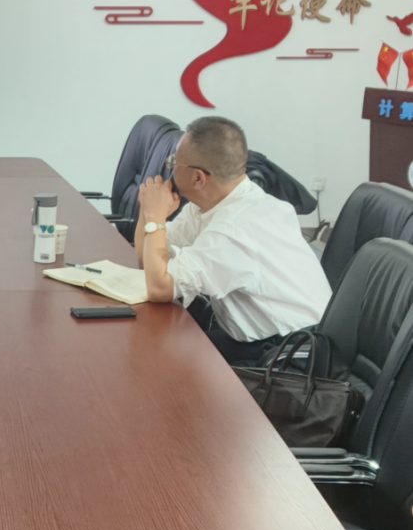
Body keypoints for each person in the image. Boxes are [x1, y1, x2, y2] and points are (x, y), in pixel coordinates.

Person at [135, 116, 332, 366]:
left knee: (164, 365)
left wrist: (154, 216)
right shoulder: (214, 203)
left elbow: (159, 288)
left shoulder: (235, 227)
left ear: (198, 178)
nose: (170, 168)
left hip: (290, 354)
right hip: (256, 338)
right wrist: (149, 211)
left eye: (174, 162)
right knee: (161, 352)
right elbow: (147, 260)